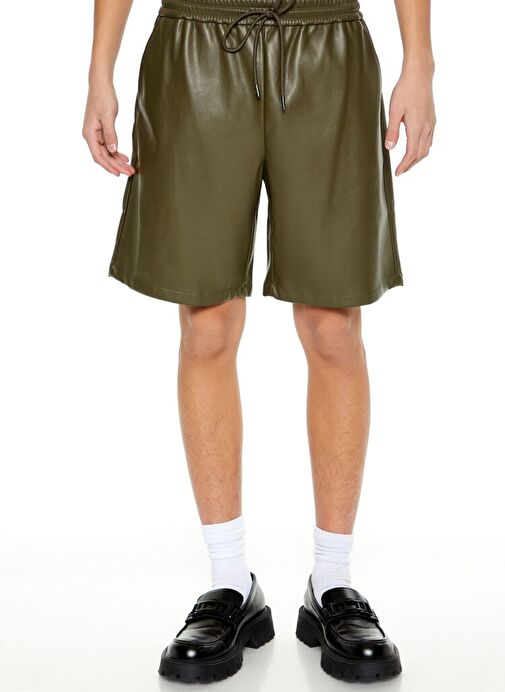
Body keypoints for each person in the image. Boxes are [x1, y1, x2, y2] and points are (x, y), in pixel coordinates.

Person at [83, 0, 435, 683]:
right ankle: (229, 584)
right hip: (195, 40)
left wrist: (418, 60)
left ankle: (331, 582)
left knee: (333, 323)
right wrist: (100, 68)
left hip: (328, 41)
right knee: (207, 319)